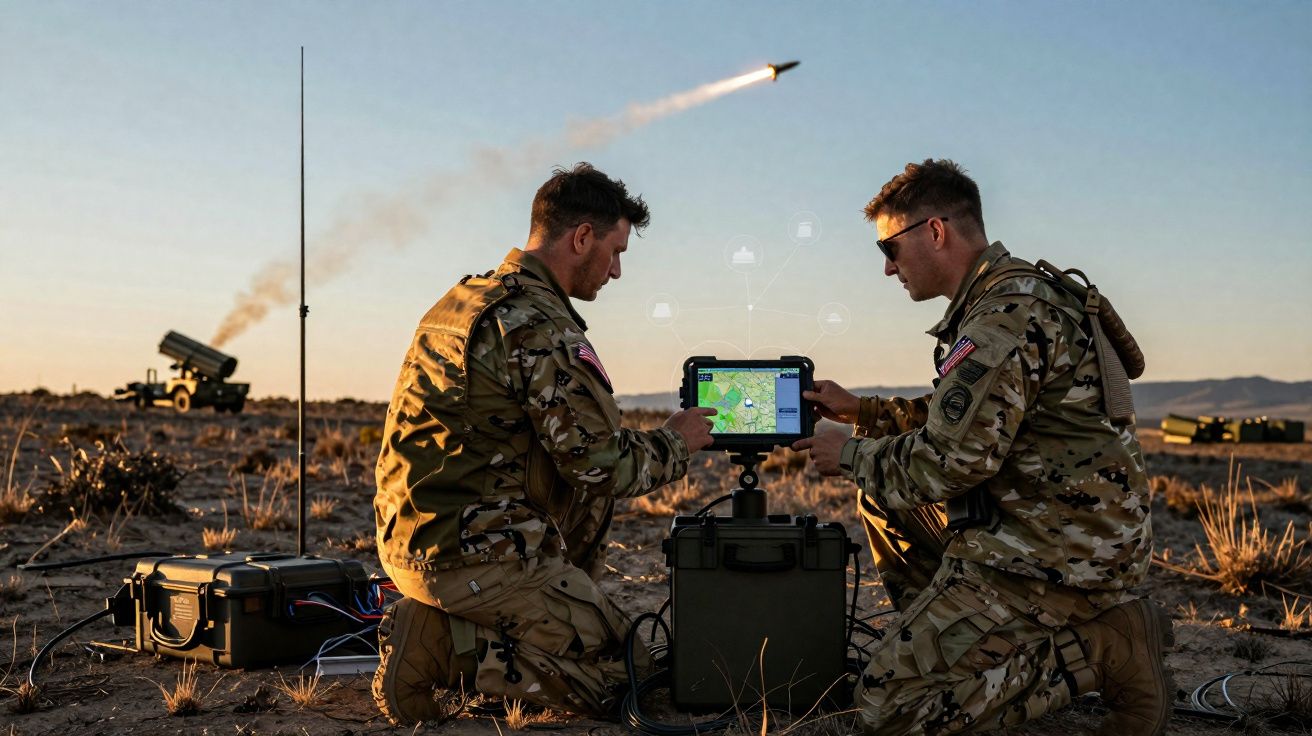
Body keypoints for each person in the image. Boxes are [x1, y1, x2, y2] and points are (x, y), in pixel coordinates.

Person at [792, 159, 1172, 736]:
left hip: (1053, 558)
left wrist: (848, 453)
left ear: (935, 231)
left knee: (884, 711)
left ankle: (1102, 650)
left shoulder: (1003, 317)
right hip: (1059, 533)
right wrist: (864, 413)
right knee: (883, 496)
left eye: (889, 249)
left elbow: (948, 462)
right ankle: (959, 647)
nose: (887, 268)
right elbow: (973, 419)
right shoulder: (1015, 295)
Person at [371, 162, 716, 724]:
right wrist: (676, 443)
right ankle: (445, 647)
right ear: (582, 238)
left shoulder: (463, 299)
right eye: (616, 251)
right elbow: (601, 465)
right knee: (636, 676)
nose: (617, 271)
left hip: (410, 539)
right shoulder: (539, 324)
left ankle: (499, 618)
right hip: (475, 556)